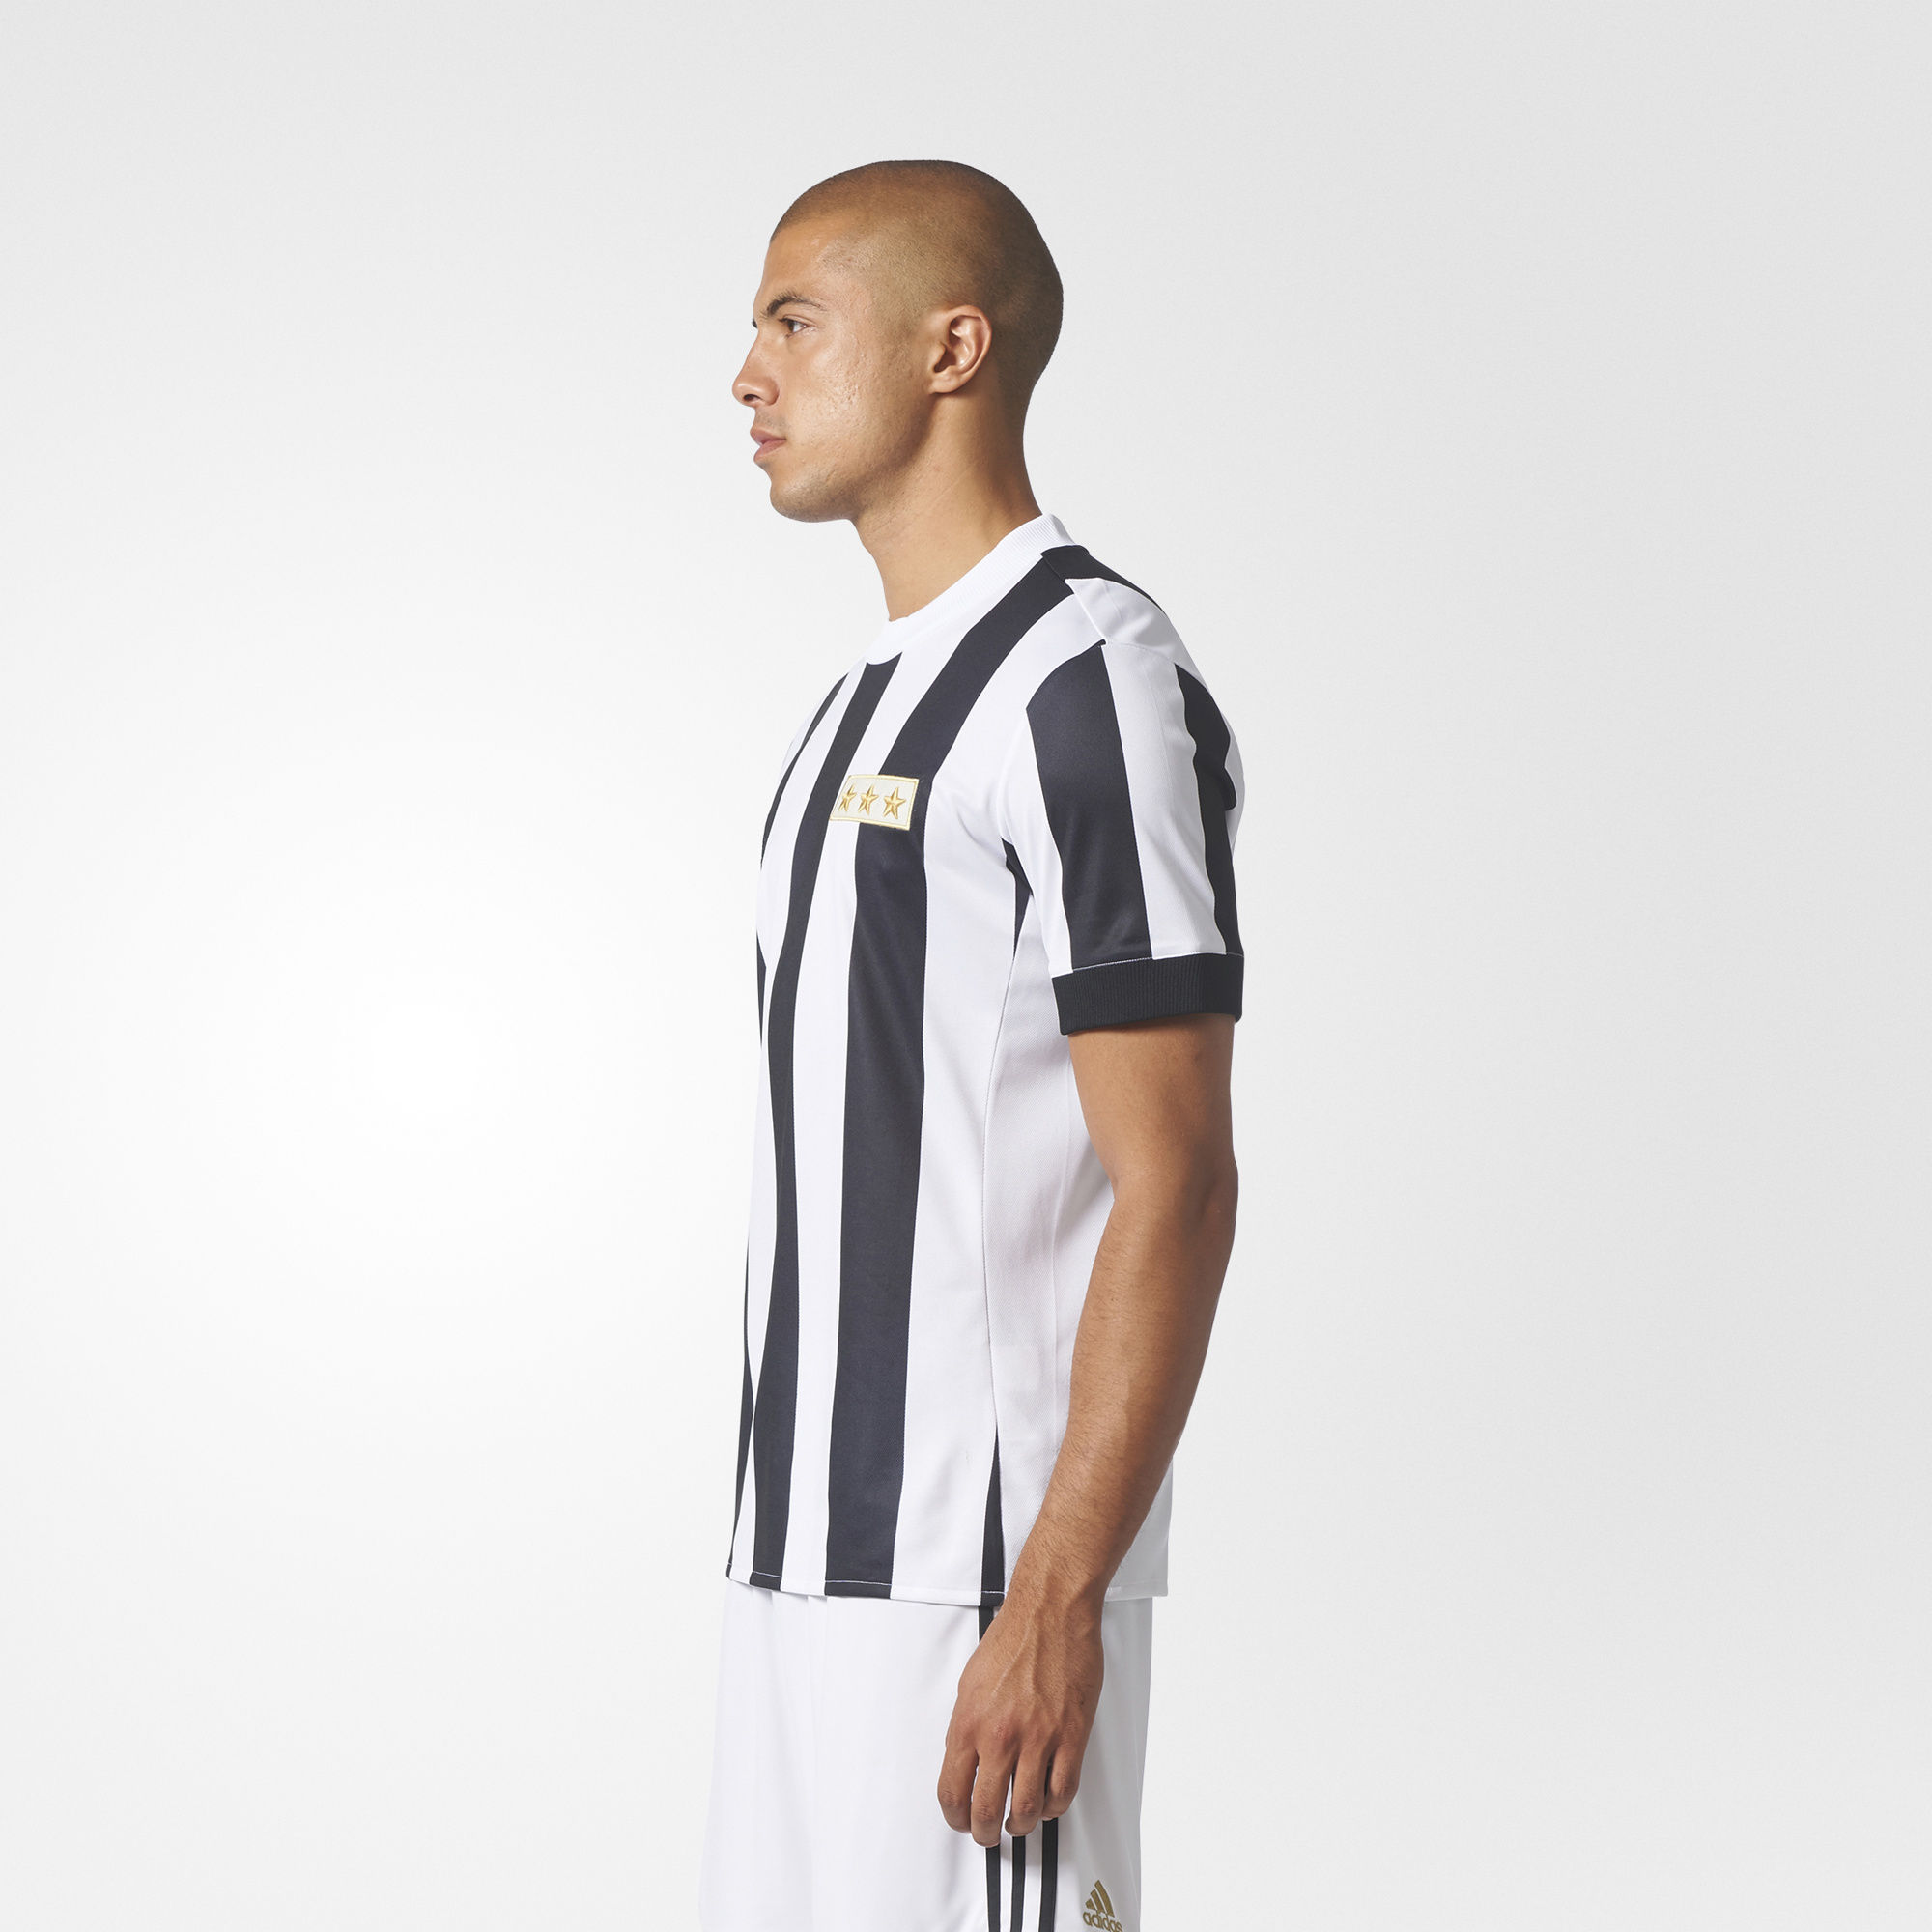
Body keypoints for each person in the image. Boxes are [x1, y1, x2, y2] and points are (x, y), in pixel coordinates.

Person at [699, 159, 1244, 1932]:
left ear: (952, 348)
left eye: (795, 321)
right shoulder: (857, 703)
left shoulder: (1092, 680)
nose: (748, 374)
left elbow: (1178, 1180)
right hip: (802, 1565)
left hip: (980, 1574)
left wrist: (1057, 1597)